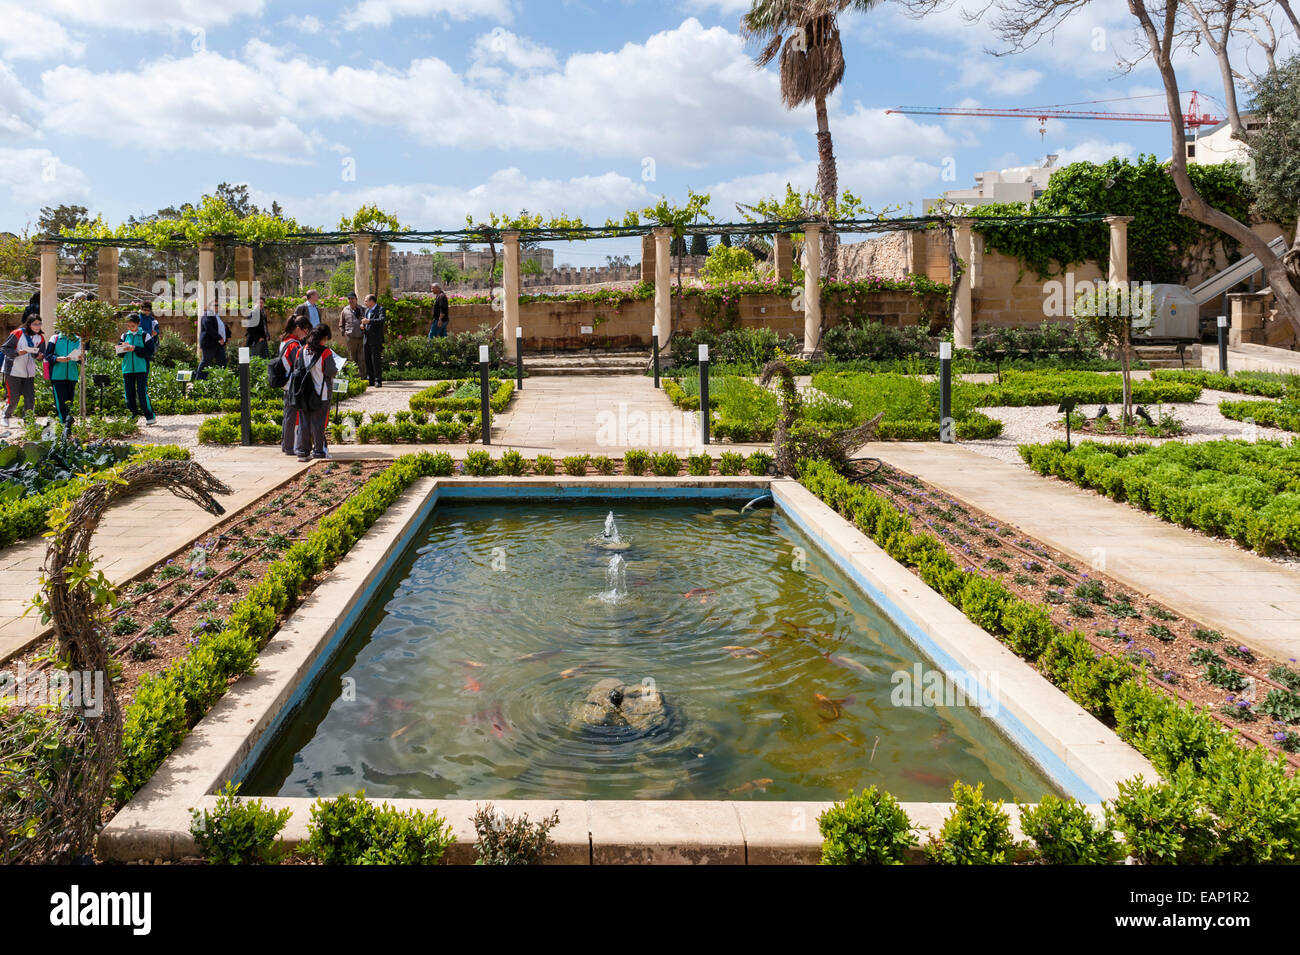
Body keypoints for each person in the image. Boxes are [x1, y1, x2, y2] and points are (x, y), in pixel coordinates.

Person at [293, 323, 336, 461]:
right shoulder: (326, 352)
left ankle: (302, 452)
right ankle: (318, 451)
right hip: (321, 392)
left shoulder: (302, 350)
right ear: (323, 338)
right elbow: (331, 371)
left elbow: (297, 368)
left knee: (304, 422)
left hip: (304, 393)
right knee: (318, 423)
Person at [2, 315, 46, 428]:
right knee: (14, 397)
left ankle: (28, 421)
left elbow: (40, 354)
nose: (37, 326)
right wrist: (17, 353)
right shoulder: (17, 333)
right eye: (35, 324)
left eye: (39, 324)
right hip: (13, 370)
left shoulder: (40, 338)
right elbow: (5, 348)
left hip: (29, 372)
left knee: (30, 397)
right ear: (29, 324)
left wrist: (40, 356)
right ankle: (5, 416)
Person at [278, 315, 310, 456]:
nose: (306, 334)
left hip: (287, 383)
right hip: (293, 384)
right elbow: (299, 365)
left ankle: (286, 445)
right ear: (298, 329)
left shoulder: (285, 341)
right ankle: (290, 447)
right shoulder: (294, 345)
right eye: (305, 331)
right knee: (291, 416)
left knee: (288, 415)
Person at [118, 314, 156, 424]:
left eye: (133, 326)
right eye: (128, 326)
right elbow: (119, 354)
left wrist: (135, 348)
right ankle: (133, 416)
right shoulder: (124, 336)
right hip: (127, 369)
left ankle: (150, 416)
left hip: (141, 369)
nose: (130, 328)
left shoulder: (145, 336)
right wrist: (123, 348)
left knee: (141, 392)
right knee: (129, 393)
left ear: (138, 324)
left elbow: (150, 352)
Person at [44, 326, 82, 426]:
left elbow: (82, 360)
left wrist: (80, 358)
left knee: (70, 401)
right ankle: (63, 424)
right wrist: (58, 359)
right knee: (61, 402)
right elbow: (48, 355)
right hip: (57, 375)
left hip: (72, 375)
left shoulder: (78, 339)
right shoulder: (54, 338)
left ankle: (68, 424)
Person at [339, 292, 367, 381]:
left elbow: (367, 321)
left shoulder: (363, 309)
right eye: (349, 299)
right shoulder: (345, 310)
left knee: (362, 358)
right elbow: (341, 324)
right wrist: (344, 334)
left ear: (356, 299)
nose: (350, 300)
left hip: (361, 337)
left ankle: (362, 377)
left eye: (352, 298)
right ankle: (353, 377)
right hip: (350, 338)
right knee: (352, 358)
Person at [195, 301, 226, 379]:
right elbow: (209, 328)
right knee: (206, 362)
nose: (216, 307)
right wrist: (219, 338)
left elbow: (219, 328)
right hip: (210, 343)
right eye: (214, 305)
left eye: (217, 305)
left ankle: (222, 380)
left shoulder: (216, 316)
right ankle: (199, 381)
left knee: (222, 362)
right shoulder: (207, 315)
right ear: (209, 307)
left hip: (218, 343)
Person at [362, 293, 385, 387]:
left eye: (366, 300)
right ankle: (370, 379)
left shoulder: (380, 309)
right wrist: (363, 325)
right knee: (367, 360)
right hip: (366, 339)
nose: (365, 302)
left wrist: (369, 321)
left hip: (375, 339)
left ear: (372, 301)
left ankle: (378, 380)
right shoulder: (367, 310)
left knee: (376, 360)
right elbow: (366, 322)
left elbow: (382, 320)